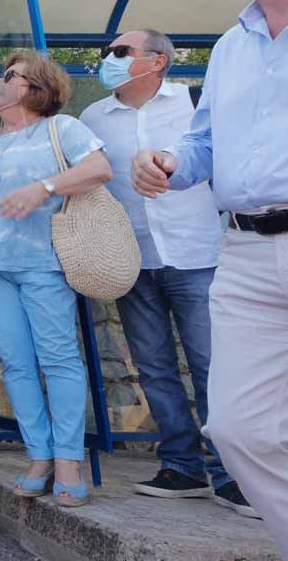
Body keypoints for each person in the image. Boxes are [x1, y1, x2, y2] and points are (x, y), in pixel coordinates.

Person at [132, 0, 288, 555]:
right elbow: (204, 145)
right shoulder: (233, 46)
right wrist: (170, 163)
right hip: (247, 253)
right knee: (238, 429)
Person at [81, 30, 254, 515]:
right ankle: (182, 466)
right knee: (154, 368)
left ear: (157, 61)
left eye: (120, 52)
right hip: (132, 259)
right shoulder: (92, 117)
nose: (109, 59)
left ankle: (233, 474)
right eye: (106, 53)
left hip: (199, 253)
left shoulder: (196, 103)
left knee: (213, 365)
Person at [0, 52, 111, 507]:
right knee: (14, 363)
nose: (0, 79)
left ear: (35, 89)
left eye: (10, 75)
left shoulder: (61, 128)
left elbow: (99, 170)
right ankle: (39, 455)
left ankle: (68, 460)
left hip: (43, 261)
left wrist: (43, 188)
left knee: (58, 358)